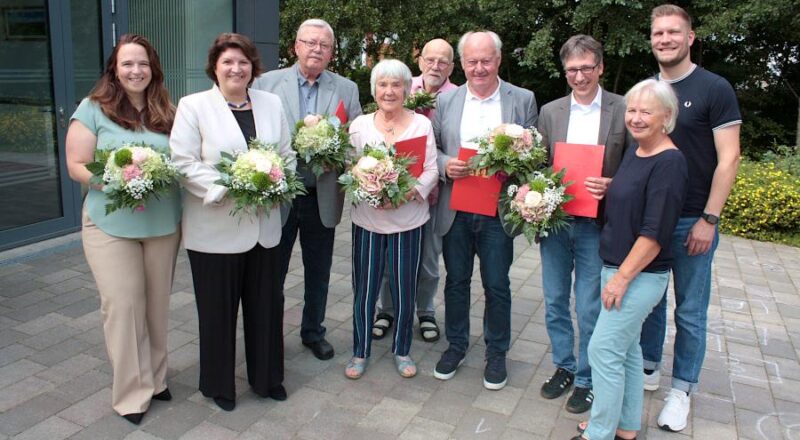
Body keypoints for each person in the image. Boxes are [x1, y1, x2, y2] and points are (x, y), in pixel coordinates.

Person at [170, 33, 293, 411]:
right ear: (215, 67)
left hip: (265, 229)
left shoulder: (271, 103)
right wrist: (234, 185)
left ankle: (267, 378)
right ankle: (219, 385)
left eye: (243, 62)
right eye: (228, 62)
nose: (236, 69)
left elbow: (286, 154)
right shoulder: (194, 106)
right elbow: (182, 162)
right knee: (217, 311)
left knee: (267, 307)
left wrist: (274, 178)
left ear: (253, 67)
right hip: (214, 230)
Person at [65, 34, 181, 425]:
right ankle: (131, 393)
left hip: (163, 224)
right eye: (128, 63)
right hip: (109, 224)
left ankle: (156, 378)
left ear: (154, 69)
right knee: (123, 306)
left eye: (143, 63)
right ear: (114, 69)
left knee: (156, 306)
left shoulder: (168, 109)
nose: (136, 70)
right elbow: (77, 164)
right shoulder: (93, 108)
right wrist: (117, 179)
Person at [639, 4, 741, 432]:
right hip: (650, 221)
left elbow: (729, 156)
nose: (665, 39)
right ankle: (648, 367)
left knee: (691, 311)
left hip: (691, 221)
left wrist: (709, 219)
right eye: (658, 33)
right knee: (649, 302)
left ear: (690, 37)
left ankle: (681, 389)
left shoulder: (714, 88)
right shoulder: (646, 91)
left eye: (673, 32)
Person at [574, 79, 688, 440]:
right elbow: (632, 198)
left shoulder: (669, 163)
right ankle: (626, 427)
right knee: (627, 350)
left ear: (666, 117)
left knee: (603, 349)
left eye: (646, 112)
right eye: (632, 110)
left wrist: (621, 278)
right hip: (618, 266)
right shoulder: (637, 151)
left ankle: (599, 432)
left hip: (639, 274)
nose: (636, 119)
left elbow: (655, 233)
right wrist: (612, 188)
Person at [432, 31, 537, 390]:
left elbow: (536, 152)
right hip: (456, 208)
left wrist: (515, 161)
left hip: (497, 210)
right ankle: (456, 345)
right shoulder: (446, 102)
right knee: (456, 282)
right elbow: (433, 148)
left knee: (497, 284)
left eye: (486, 60)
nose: (479, 68)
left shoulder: (522, 99)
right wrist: (446, 164)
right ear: (461, 64)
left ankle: (496, 353)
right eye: (472, 61)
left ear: (498, 60)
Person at [251, 18, 361, 361]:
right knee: (274, 270)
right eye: (310, 42)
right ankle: (271, 334)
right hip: (279, 194)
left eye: (324, 45)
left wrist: (338, 158)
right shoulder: (266, 83)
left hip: (321, 195)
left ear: (331, 52)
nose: (316, 49)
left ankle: (313, 331)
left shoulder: (346, 89)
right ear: (295, 46)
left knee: (319, 271)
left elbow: (355, 140)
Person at [536, 35, 632, 414]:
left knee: (590, 306)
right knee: (556, 301)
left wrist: (614, 184)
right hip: (557, 222)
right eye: (572, 69)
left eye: (586, 68)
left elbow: (638, 165)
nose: (579, 76)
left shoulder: (623, 108)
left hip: (598, 223)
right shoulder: (551, 111)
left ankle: (588, 378)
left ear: (601, 67)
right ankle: (564, 365)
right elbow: (539, 162)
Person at [345, 59, 439, 379]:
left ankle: (402, 349)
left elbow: (431, 170)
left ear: (407, 90)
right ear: (374, 89)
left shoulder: (420, 125)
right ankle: (360, 351)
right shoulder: (358, 126)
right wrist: (368, 186)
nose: (389, 91)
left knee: (403, 288)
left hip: (408, 221)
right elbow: (349, 169)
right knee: (365, 289)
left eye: (396, 85)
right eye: (383, 85)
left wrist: (410, 192)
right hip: (368, 221)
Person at [372, 38, 458, 344]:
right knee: (385, 255)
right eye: (430, 59)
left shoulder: (458, 98)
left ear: (451, 66)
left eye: (443, 61)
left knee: (429, 259)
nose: (436, 66)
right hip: (393, 194)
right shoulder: (402, 85)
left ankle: (426, 311)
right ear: (420, 60)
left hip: (435, 192)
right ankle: (387, 310)